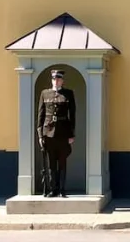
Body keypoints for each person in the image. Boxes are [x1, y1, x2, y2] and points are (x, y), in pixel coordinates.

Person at [37, 69, 76, 197]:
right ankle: (53, 189)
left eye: (58, 79)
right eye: (54, 79)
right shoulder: (45, 93)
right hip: (48, 133)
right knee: (51, 162)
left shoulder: (68, 94)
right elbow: (41, 115)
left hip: (63, 132)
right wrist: (40, 135)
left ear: (62, 81)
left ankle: (62, 189)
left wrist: (71, 134)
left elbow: (72, 115)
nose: (56, 81)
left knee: (62, 161)